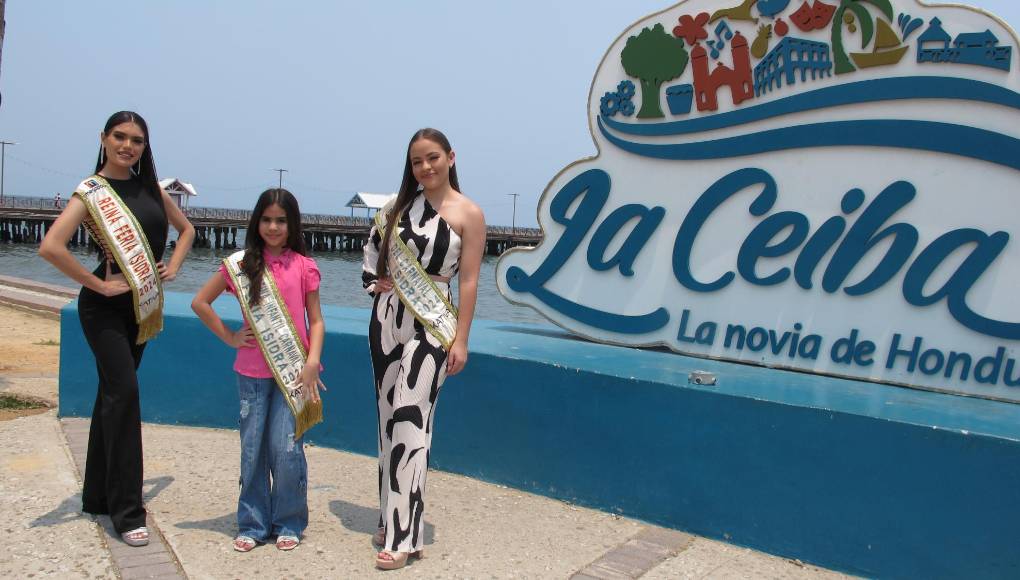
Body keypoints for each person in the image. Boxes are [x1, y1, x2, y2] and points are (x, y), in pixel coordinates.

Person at [39, 111, 195, 547]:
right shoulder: (92, 192)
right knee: (124, 395)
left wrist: (174, 265)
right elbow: (51, 246)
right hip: (103, 310)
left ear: (145, 146)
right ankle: (127, 512)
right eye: (120, 137)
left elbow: (187, 230)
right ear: (104, 139)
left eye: (137, 140)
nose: (128, 146)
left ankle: (97, 495)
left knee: (112, 396)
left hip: (141, 308)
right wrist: (99, 285)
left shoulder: (151, 189)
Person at [362, 128, 485, 570]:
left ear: (451, 157)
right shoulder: (395, 209)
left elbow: (469, 280)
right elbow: (371, 253)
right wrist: (374, 284)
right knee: (386, 421)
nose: (425, 167)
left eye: (432, 157)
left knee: (412, 418)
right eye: (417, 161)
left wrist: (462, 338)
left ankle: (403, 534)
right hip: (386, 320)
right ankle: (390, 515)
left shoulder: (469, 213)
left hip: (433, 324)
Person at [191, 188, 326, 553]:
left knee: (286, 448)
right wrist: (230, 336)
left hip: (294, 374)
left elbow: (316, 320)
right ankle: (252, 523)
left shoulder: (305, 266)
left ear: (292, 223)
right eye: (266, 219)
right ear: (256, 222)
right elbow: (200, 302)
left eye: (281, 220)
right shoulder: (240, 265)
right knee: (252, 449)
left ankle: (289, 521)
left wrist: (312, 362)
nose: (273, 227)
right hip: (251, 374)